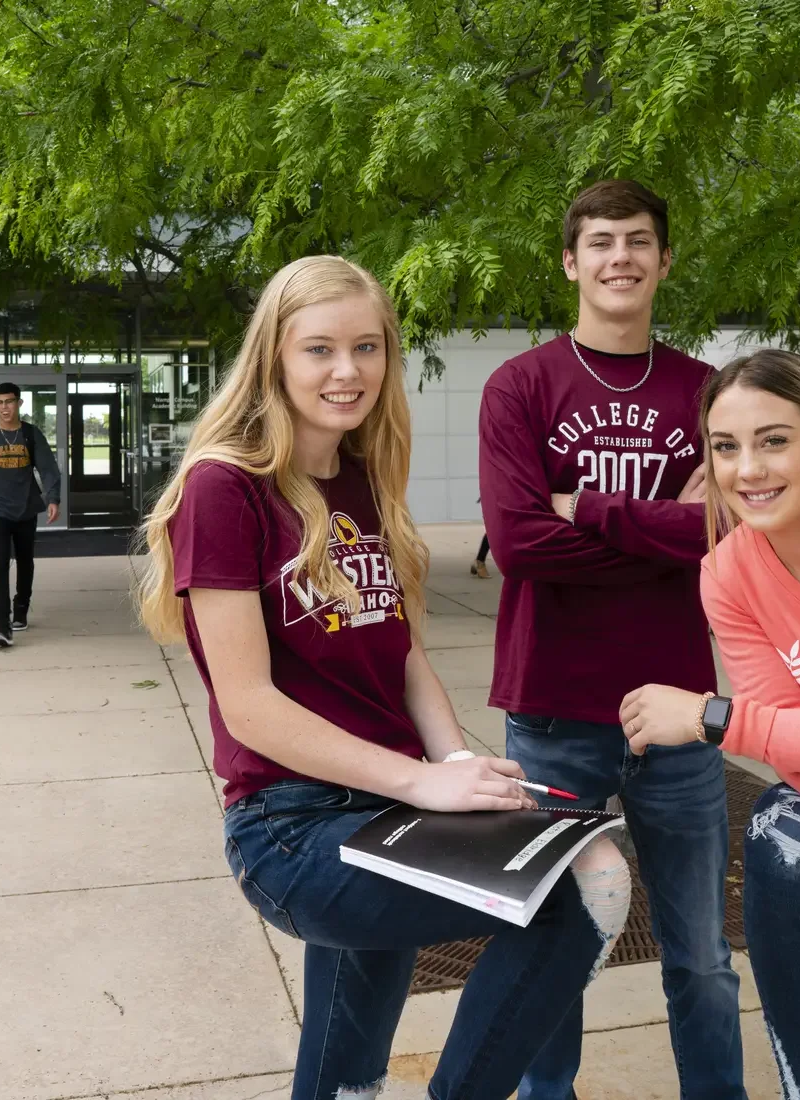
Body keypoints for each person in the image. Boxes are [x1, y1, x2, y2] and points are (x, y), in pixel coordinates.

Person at [139, 255, 630, 1100]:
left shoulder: (362, 477)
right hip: (291, 826)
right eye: (320, 349)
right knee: (588, 889)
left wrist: (452, 767)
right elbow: (250, 708)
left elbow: (402, 655)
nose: (347, 371)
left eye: (367, 348)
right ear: (275, 360)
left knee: (345, 1078)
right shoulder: (224, 490)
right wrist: (420, 783)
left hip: (387, 804)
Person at [479, 179, 746, 1100]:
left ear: (665, 260)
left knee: (702, 954)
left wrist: (586, 510)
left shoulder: (706, 392)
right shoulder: (520, 385)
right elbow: (518, 545)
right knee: (554, 945)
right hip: (554, 708)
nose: (620, 257)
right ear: (570, 262)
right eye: (601, 242)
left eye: (638, 240)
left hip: (677, 712)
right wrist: (662, 529)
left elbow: (727, 530)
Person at [622, 349, 800, 1100]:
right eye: (726, 447)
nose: (748, 469)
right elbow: (789, 740)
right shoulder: (729, 571)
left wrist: (710, 717)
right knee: (781, 830)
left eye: (774, 440)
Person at [0, 382, 61, 647]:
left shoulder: (30, 434)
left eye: (9, 402)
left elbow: (49, 468)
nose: (4, 407)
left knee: (25, 561)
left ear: (19, 403)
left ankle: (21, 609)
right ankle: (1, 625)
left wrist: (53, 498)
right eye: (0, 402)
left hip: (26, 508)